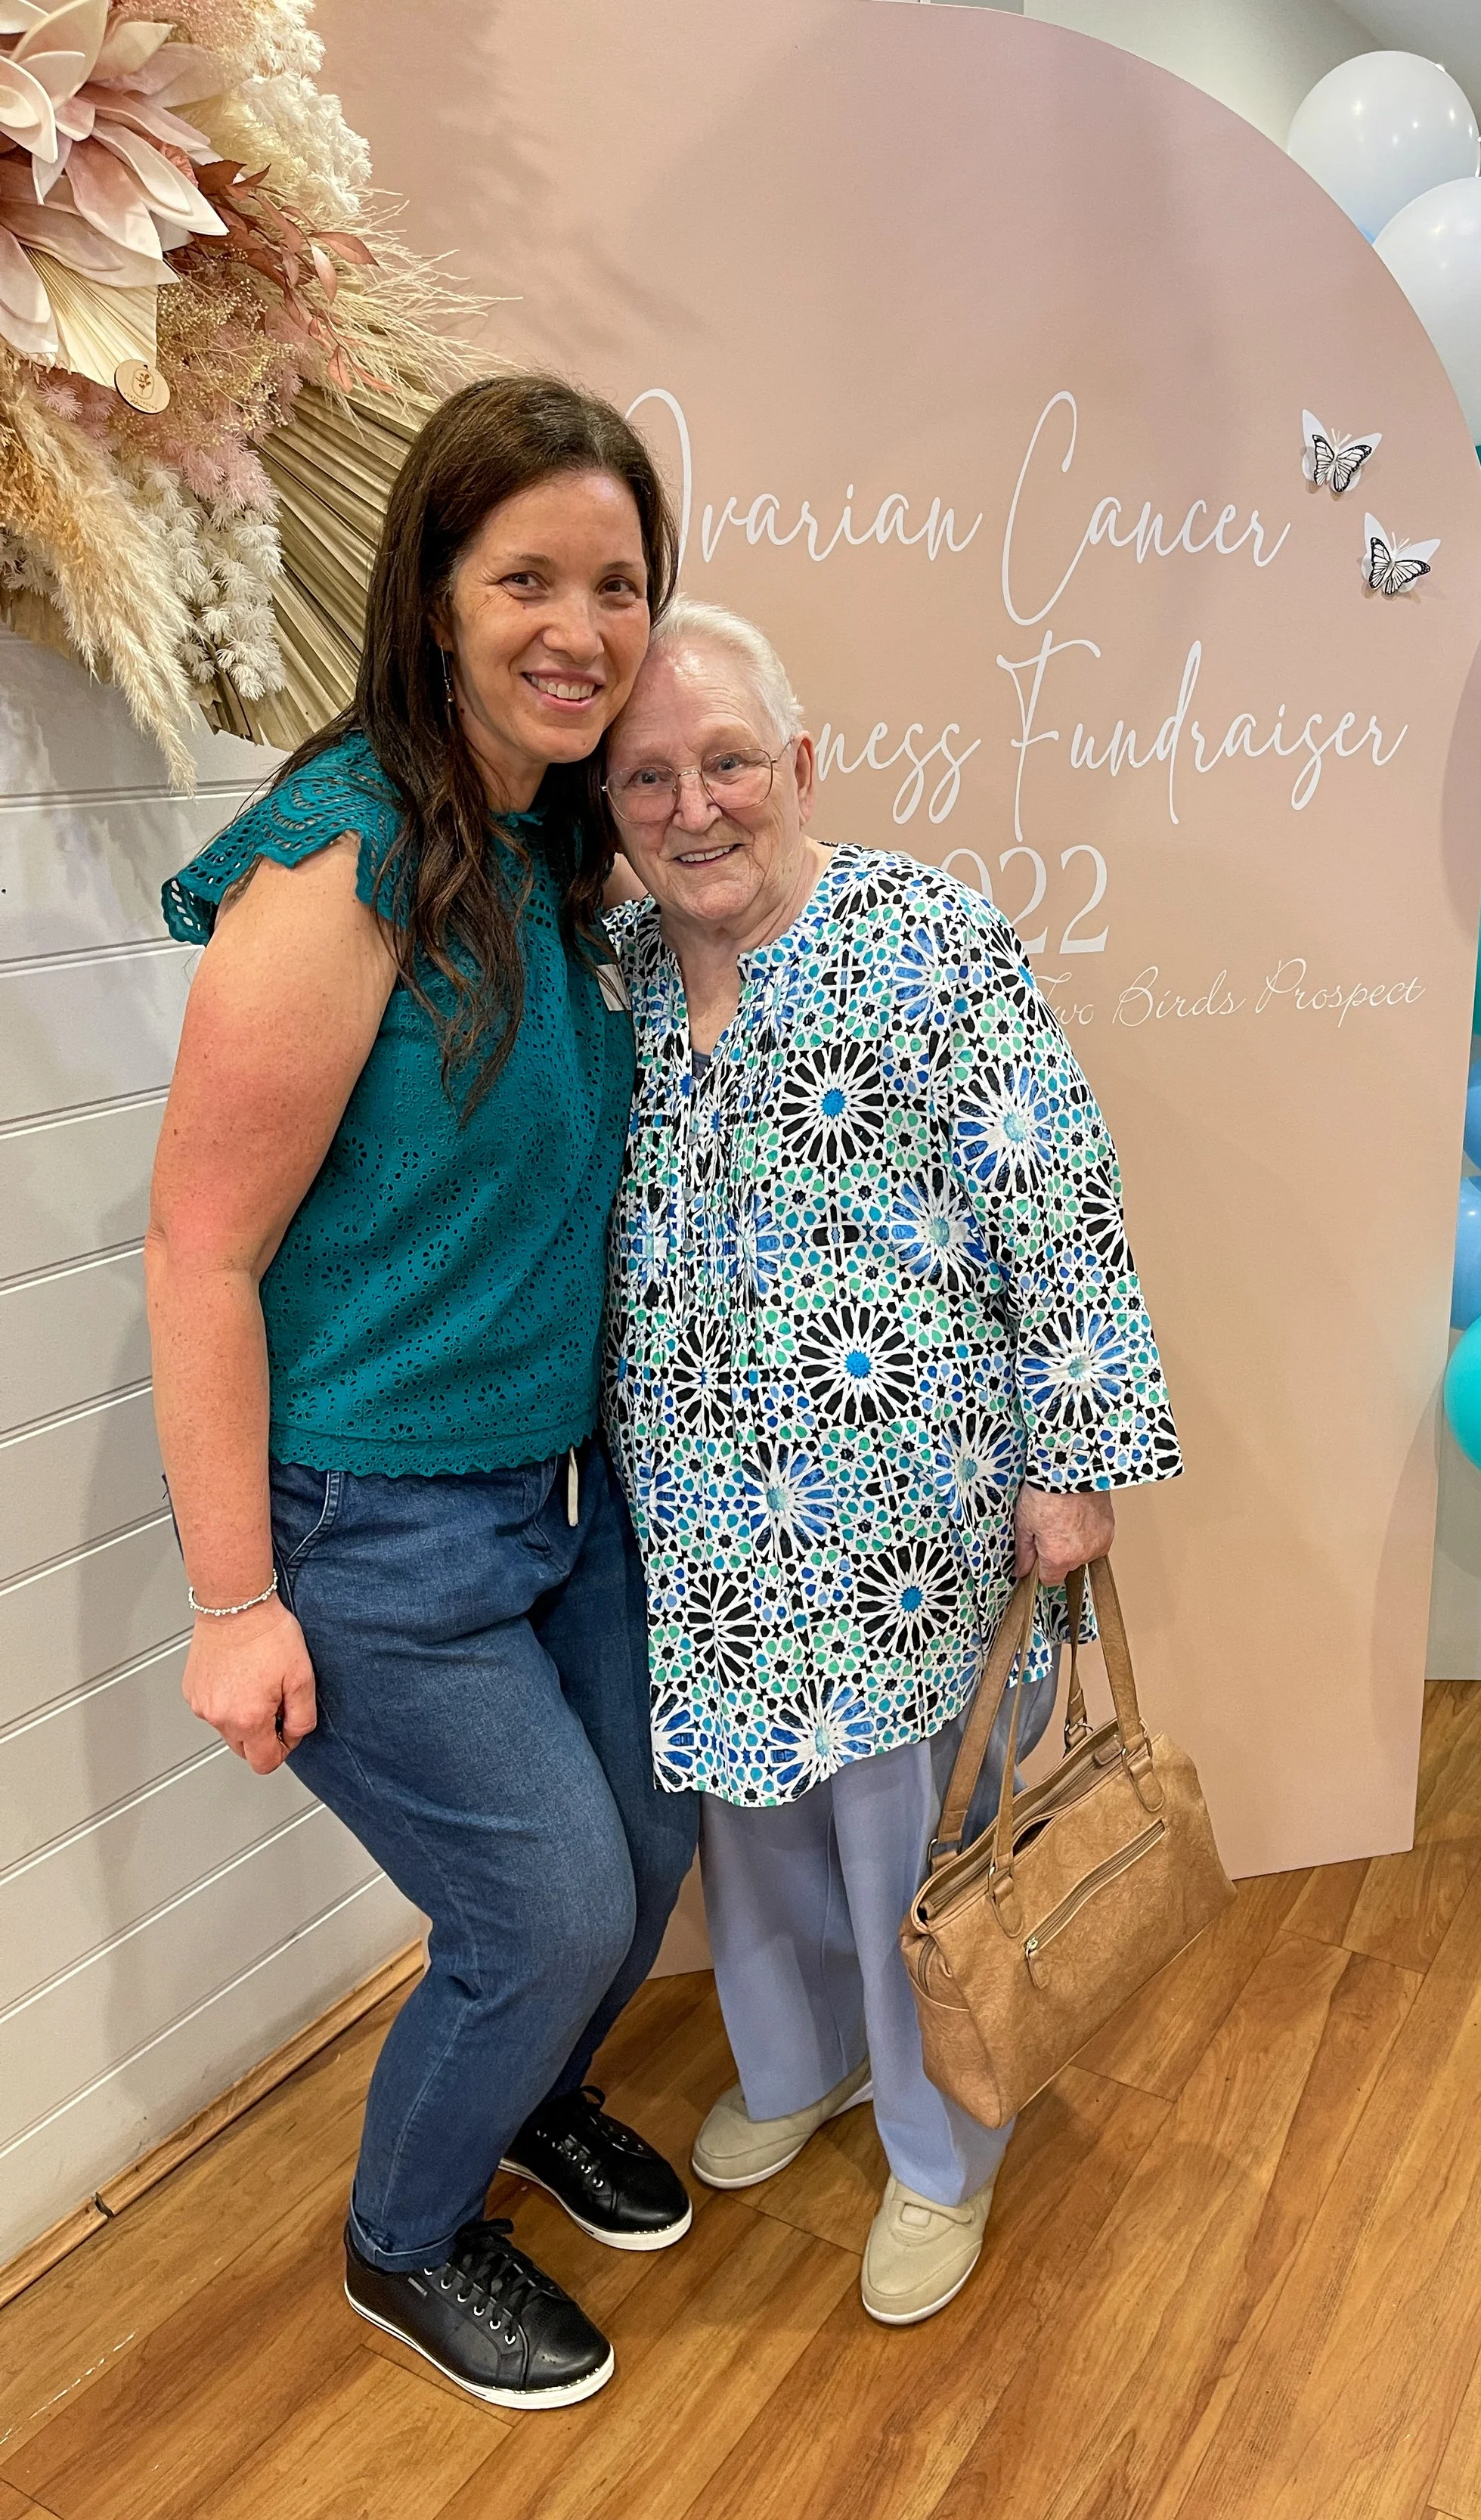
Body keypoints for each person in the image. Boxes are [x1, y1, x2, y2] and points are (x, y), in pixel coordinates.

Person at [146, 377, 701, 2413]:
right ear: (435, 595)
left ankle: (531, 2095)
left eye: (617, 582)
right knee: (542, 1904)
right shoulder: (346, 852)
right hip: (364, 1520)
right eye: (528, 578)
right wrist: (232, 1604)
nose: (580, 626)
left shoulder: (559, 850)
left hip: (557, 1492)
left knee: (641, 1851)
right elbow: (198, 1251)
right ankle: (405, 2234)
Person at [599, 599, 1182, 2326]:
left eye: (723, 763)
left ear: (797, 761)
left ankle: (943, 2149)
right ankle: (797, 2067)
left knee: (912, 1840)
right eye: (647, 779)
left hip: (907, 1508)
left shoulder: (929, 937)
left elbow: (1055, 1198)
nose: (693, 807)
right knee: (749, 1818)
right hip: (697, 1511)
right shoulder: (615, 975)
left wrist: (1071, 1463)